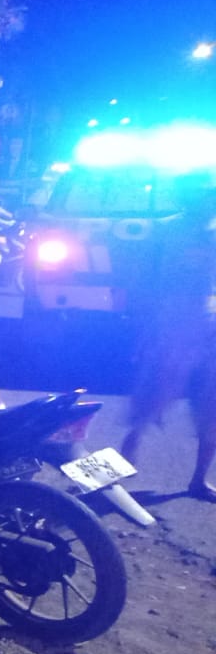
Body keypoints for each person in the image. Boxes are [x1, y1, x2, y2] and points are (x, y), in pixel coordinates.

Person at [121, 178, 216, 500]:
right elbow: (146, 276)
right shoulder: (168, 230)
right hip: (174, 323)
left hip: (209, 324)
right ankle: (117, 472)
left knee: (212, 407)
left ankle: (198, 480)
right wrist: (146, 323)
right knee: (152, 399)